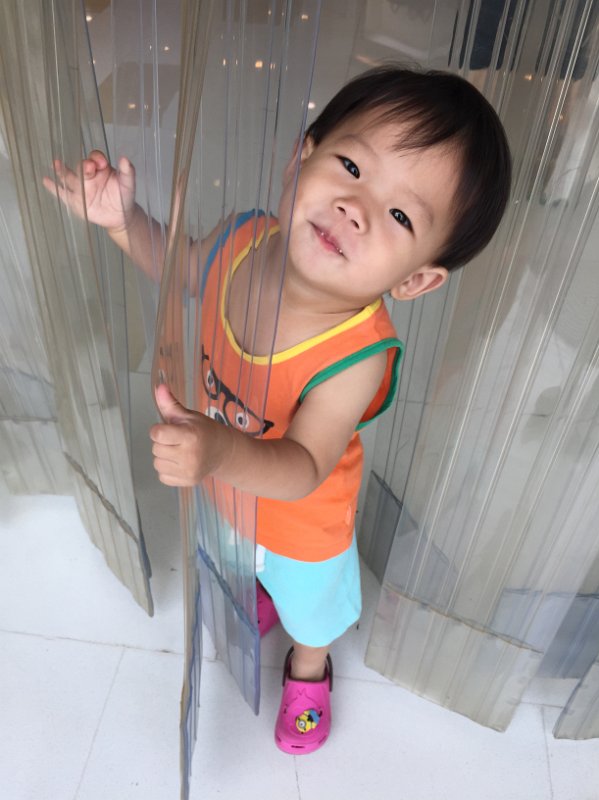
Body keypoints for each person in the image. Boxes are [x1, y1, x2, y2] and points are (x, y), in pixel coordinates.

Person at [44, 65, 511, 755]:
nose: (355, 207)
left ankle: (310, 670)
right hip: (228, 486)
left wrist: (216, 451)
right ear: (301, 158)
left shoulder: (357, 354)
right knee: (242, 557)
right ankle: (261, 588)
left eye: (400, 215)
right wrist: (125, 222)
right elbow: (183, 268)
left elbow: (304, 466)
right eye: (351, 165)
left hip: (302, 525)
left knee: (309, 612)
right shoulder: (243, 239)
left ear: (415, 279)